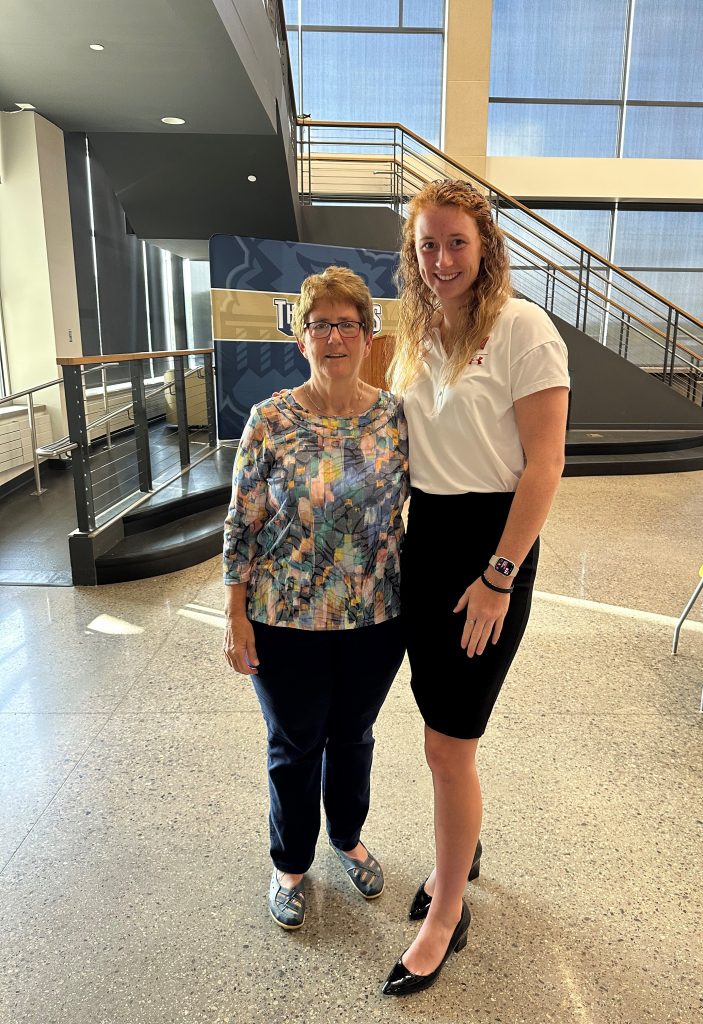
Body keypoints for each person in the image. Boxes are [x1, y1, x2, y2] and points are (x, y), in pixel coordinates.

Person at [381, 180, 570, 995]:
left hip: (489, 551)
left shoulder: (523, 328)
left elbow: (545, 465)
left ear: (485, 246)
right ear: (413, 254)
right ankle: (469, 848)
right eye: (428, 245)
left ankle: (447, 914)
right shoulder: (418, 334)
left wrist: (500, 574)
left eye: (457, 243)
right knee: (439, 725)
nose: (442, 260)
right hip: (424, 544)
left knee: (447, 743)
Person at [222, 266, 408, 930]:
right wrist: (234, 613)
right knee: (295, 744)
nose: (335, 336)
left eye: (347, 323)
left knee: (354, 736)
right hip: (285, 617)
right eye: (320, 324)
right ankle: (290, 864)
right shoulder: (270, 420)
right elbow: (242, 522)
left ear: (367, 336)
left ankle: (347, 838)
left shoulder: (395, 417)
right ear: (302, 339)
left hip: (377, 619)